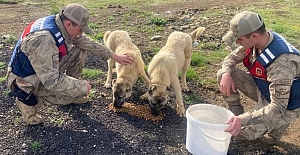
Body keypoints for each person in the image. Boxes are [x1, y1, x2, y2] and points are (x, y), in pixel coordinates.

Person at [6, 3, 133, 125]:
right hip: (24, 80)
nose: (81, 33)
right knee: (77, 90)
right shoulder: (44, 40)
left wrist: (113, 55)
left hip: (40, 68)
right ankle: (27, 102)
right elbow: (51, 80)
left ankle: (71, 92)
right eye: (80, 29)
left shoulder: (58, 23)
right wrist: (80, 86)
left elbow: (84, 42)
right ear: (69, 23)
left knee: (80, 49)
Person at [217, 11, 300, 144]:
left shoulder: (282, 64)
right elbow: (232, 57)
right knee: (224, 73)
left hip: (285, 103)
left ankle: (276, 129)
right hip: (264, 88)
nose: (238, 43)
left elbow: (278, 107)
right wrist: (226, 73)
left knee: (243, 134)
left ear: (254, 35)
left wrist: (243, 120)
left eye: (239, 39)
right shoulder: (259, 40)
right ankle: (236, 113)